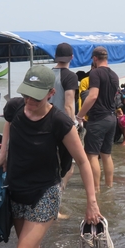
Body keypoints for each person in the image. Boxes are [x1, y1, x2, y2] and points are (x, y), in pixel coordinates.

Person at [0, 65, 102, 248]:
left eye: (36, 97)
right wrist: (2, 155)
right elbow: (7, 127)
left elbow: (83, 162)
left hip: (45, 193)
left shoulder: (60, 123)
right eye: (26, 95)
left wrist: (92, 202)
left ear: (51, 94)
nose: (29, 102)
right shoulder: (16, 108)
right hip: (16, 189)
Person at [76, 47, 120, 192]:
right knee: (106, 155)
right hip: (111, 119)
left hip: (98, 119)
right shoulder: (114, 75)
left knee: (92, 155)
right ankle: (109, 186)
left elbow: (93, 96)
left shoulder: (95, 73)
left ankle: (96, 190)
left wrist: (80, 115)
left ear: (95, 59)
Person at [48, 42, 80, 195]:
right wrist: (73, 124)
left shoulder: (47, 74)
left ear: (56, 57)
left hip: (45, 124)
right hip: (62, 127)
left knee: (50, 164)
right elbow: (68, 105)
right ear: (71, 57)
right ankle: (57, 199)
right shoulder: (70, 76)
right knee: (68, 167)